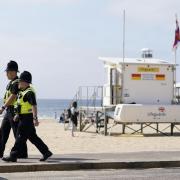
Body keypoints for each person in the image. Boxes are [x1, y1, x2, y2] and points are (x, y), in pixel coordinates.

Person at [2, 71, 52, 162]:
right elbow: (20, 104)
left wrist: (35, 118)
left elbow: (34, 106)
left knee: (19, 137)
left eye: (20, 81)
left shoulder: (29, 93)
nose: (18, 83)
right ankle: (46, 152)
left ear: (25, 82)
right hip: (22, 117)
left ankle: (13, 155)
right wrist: (17, 114)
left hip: (27, 119)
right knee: (33, 137)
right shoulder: (22, 91)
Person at [0, 61, 28, 158]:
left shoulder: (17, 82)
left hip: (14, 111)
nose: (6, 74)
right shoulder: (12, 82)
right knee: (3, 131)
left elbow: (13, 96)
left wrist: (3, 107)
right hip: (9, 111)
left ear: (13, 72)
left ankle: (22, 153)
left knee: (17, 133)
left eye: (7, 71)